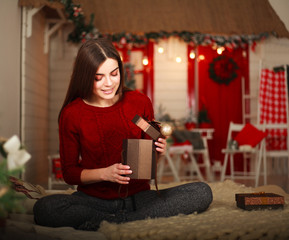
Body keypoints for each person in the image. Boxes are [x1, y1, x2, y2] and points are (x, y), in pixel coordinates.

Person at [33, 38, 213, 231]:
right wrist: (106, 173)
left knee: (201, 192)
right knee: (45, 208)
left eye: (114, 73)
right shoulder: (72, 114)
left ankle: (113, 222)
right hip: (93, 200)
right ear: (85, 77)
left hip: (140, 199)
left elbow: (146, 167)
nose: (109, 83)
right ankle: (133, 220)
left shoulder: (138, 102)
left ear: (120, 70)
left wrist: (158, 154)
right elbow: (69, 173)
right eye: (98, 77)